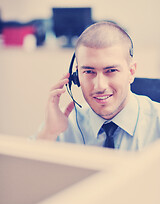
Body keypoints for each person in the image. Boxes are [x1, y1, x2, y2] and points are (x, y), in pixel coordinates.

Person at [36, 21, 160, 151]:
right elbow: (26, 169)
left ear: (131, 72)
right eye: (89, 72)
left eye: (111, 70)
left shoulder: (156, 123)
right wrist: (49, 133)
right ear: (77, 76)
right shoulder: (64, 123)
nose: (100, 86)